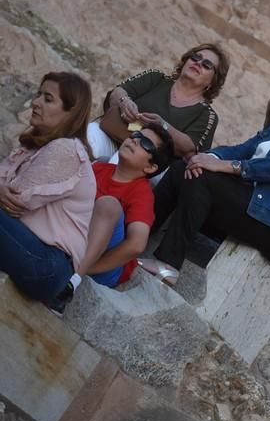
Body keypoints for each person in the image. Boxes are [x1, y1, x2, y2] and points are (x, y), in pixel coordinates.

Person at [143, 75, 270, 284]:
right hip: (248, 206)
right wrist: (207, 158)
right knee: (184, 168)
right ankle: (137, 237)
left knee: (204, 179)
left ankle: (168, 263)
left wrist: (228, 166)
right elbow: (240, 150)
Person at [0, 73, 95, 304]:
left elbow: (15, 203)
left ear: (70, 113)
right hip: (28, 249)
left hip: (47, 265)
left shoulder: (66, 150)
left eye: (48, 99)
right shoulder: (33, 147)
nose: (36, 102)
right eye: (38, 94)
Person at [88, 44, 229, 161]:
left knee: (125, 159)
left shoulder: (207, 115)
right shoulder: (156, 78)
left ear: (213, 81)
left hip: (153, 163)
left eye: (206, 65)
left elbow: (189, 149)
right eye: (195, 58)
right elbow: (117, 92)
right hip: (115, 135)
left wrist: (162, 126)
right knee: (89, 134)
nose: (198, 63)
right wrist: (125, 102)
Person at [81, 126, 175, 289]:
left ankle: (74, 275)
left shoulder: (141, 193)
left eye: (145, 143)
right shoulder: (99, 167)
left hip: (104, 268)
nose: (135, 140)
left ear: (150, 167)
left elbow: (137, 244)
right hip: (75, 241)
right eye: (135, 135)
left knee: (108, 205)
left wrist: (89, 268)